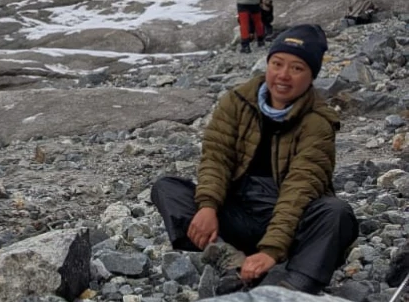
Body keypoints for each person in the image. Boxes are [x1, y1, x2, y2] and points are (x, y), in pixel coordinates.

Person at [151, 25, 357, 295]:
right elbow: (216, 157)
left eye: (297, 68)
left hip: (290, 220)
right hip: (240, 211)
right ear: (267, 64)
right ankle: (231, 261)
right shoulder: (237, 102)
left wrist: (271, 250)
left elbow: (300, 189)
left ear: (312, 76)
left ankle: (292, 286)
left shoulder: (318, 122)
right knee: (167, 188)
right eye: (277, 64)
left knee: (337, 213)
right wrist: (208, 206)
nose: (283, 75)